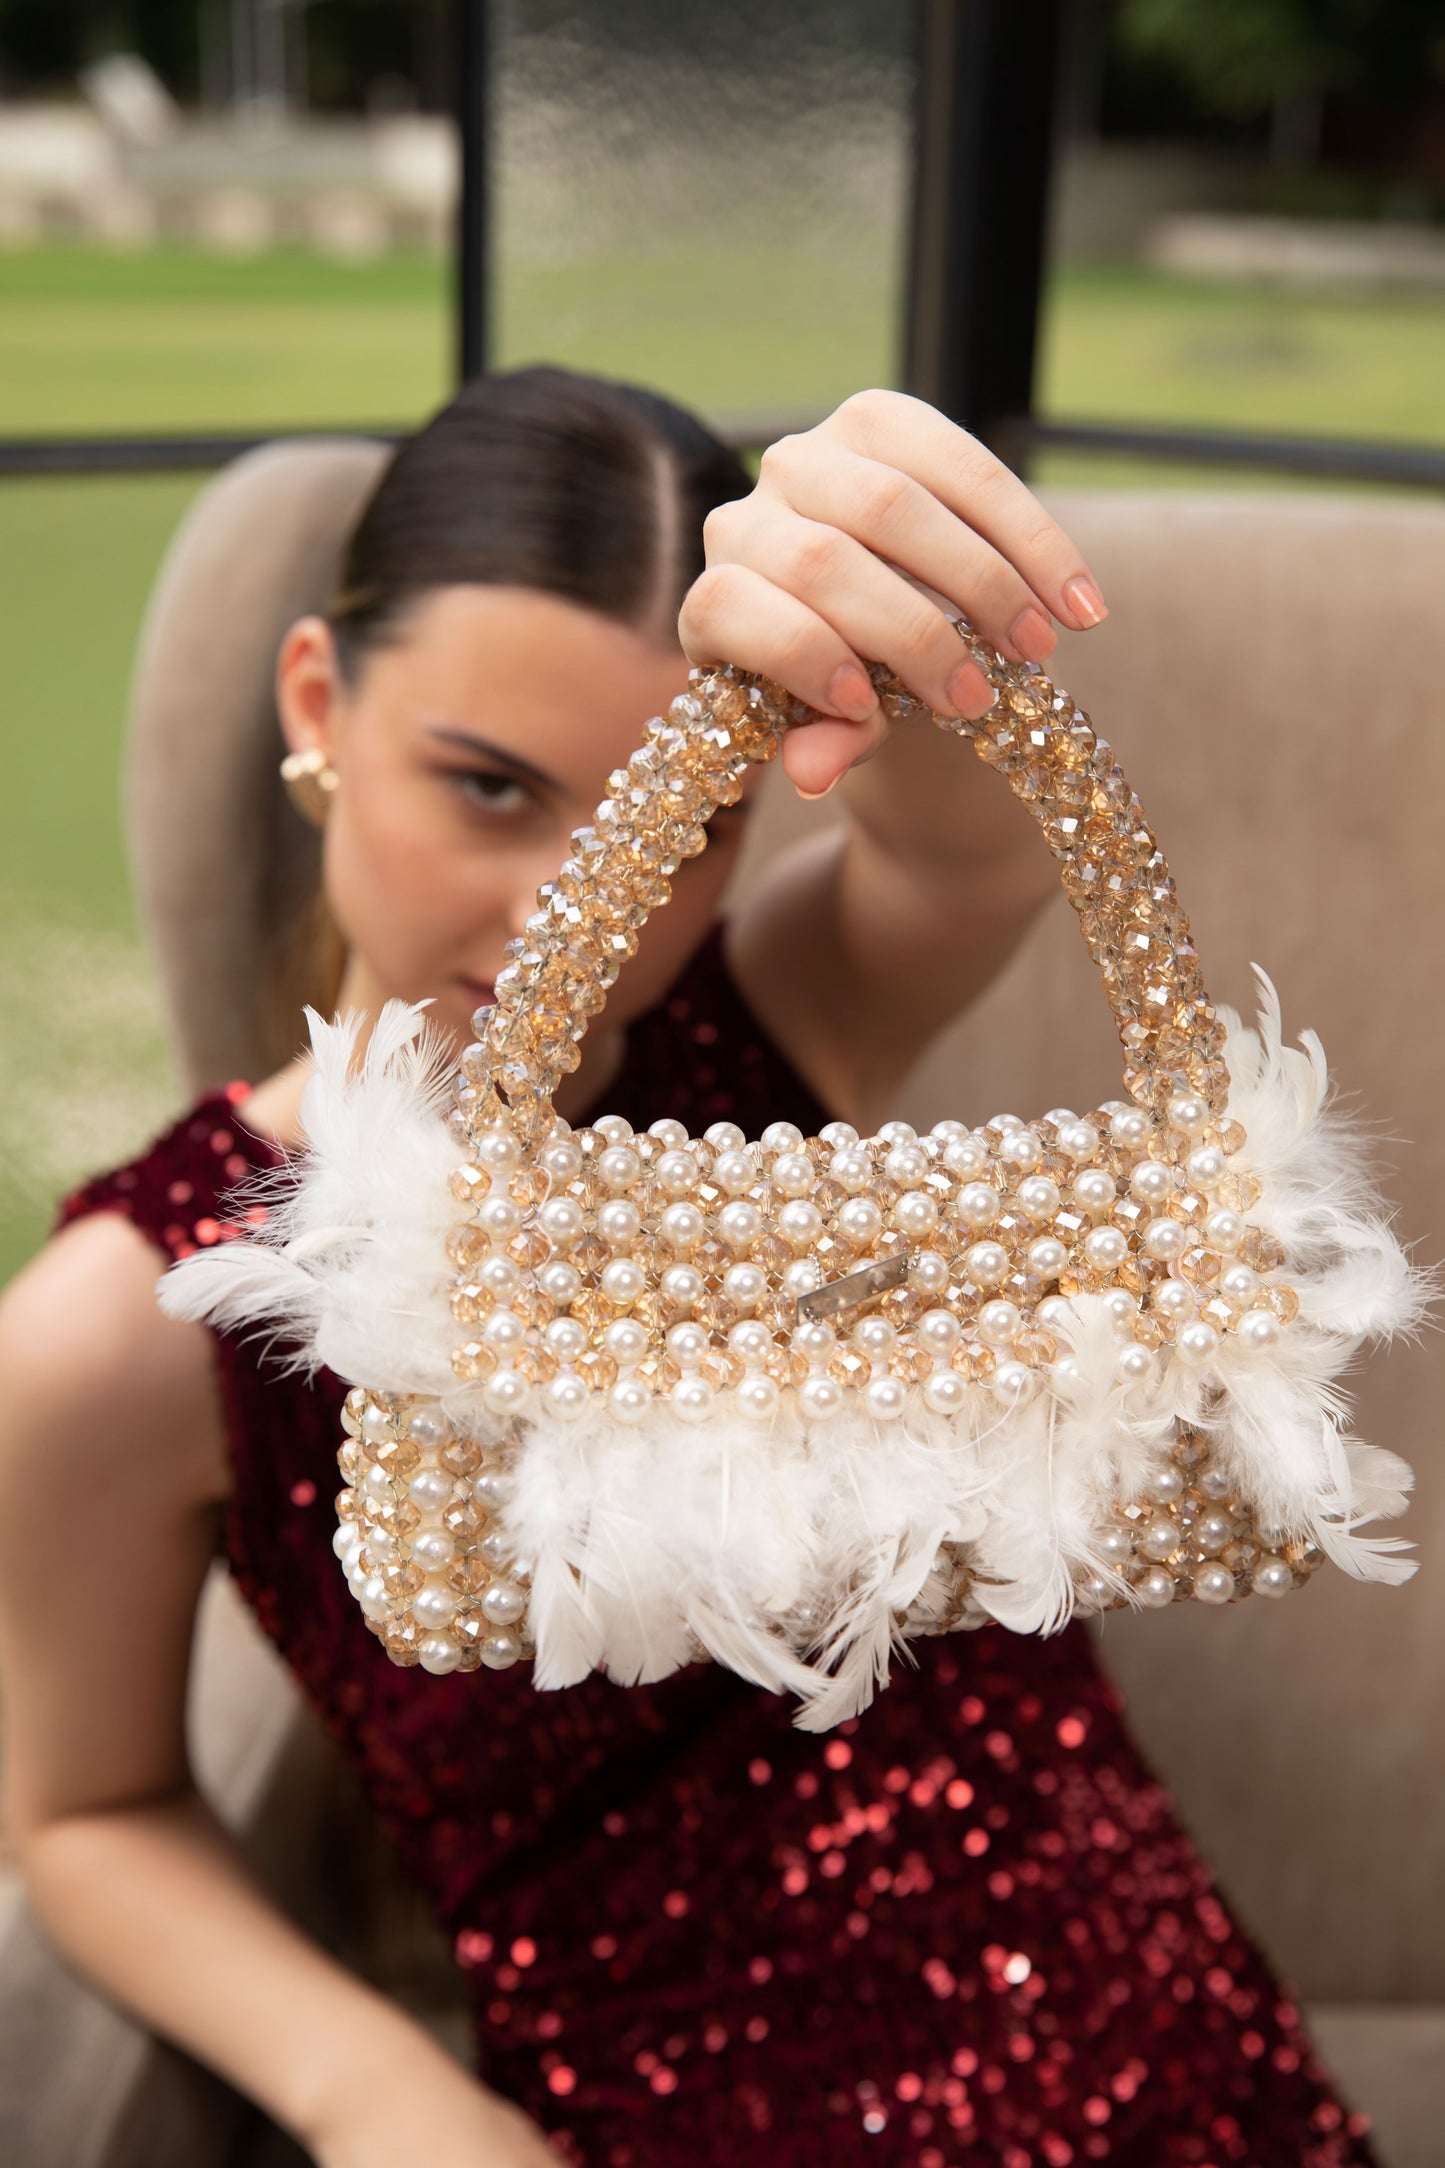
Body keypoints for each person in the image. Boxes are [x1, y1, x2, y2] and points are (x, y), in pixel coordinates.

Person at [0, 368, 1375, 2167]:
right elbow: (84, 1807)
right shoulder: (135, 1318)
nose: (571, 915)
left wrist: (913, 617)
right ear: (320, 707)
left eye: (671, 826)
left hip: (1151, 2026)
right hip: (681, 2105)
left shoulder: (765, 1033)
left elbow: (973, 859)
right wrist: (368, 2089)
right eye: (489, 787)